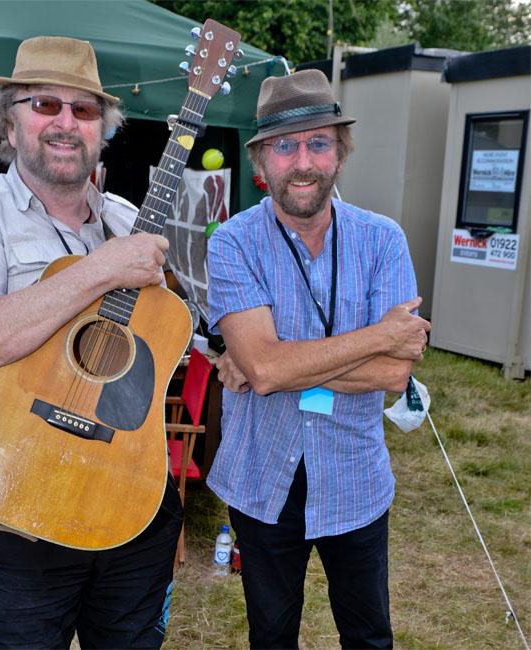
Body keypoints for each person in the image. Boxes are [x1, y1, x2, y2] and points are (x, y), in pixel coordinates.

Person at [0, 36, 182, 648]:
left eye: (85, 109)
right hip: (19, 500)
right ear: (10, 124)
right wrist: (103, 269)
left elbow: (177, 339)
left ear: (104, 130)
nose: (66, 123)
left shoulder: (127, 220)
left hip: (130, 498)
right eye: (46, 104)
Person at [207, 69, 431, 650]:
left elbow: (394, 373)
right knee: (272, 635)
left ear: (340, 153)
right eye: (284, 146)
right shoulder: (232, 242)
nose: (302, 162)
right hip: (262, 475)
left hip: (354, 476)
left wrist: (270, 362)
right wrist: (379, 335)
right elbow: (265, 371)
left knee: (368, 635)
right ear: (261, 160)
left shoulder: (383, 240)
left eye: (318, 143)